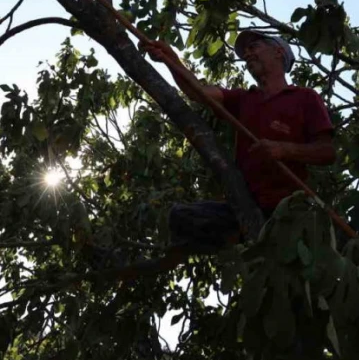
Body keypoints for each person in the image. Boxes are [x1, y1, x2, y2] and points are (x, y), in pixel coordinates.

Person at [142, 30, 336, 253]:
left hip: (287, 210)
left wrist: (284, 149)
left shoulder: (305, 98)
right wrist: (170, 59)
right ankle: (242, 241)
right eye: (246, 51)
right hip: (245, 204)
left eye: (254, 47)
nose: (247, 54)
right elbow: (199, 92)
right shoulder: (244, 99)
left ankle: (251, 243)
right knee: (179, 217)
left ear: (278, 52)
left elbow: (327, 151)